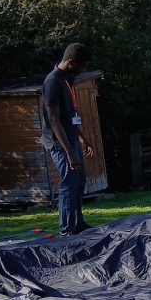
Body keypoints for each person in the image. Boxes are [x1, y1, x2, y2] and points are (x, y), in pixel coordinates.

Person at [40, 42, 95, 236]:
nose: (82, 70)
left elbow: (70, 116)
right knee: (68, 184)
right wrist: (70, 153)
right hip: (58, 142)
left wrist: (82, 138)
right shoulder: (52, 81)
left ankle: (78, 223)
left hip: (71, 137)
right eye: (80, 66)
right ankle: (67, 229)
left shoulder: (67, 79)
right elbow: (54, 120)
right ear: (70, 61)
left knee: (79, 182)